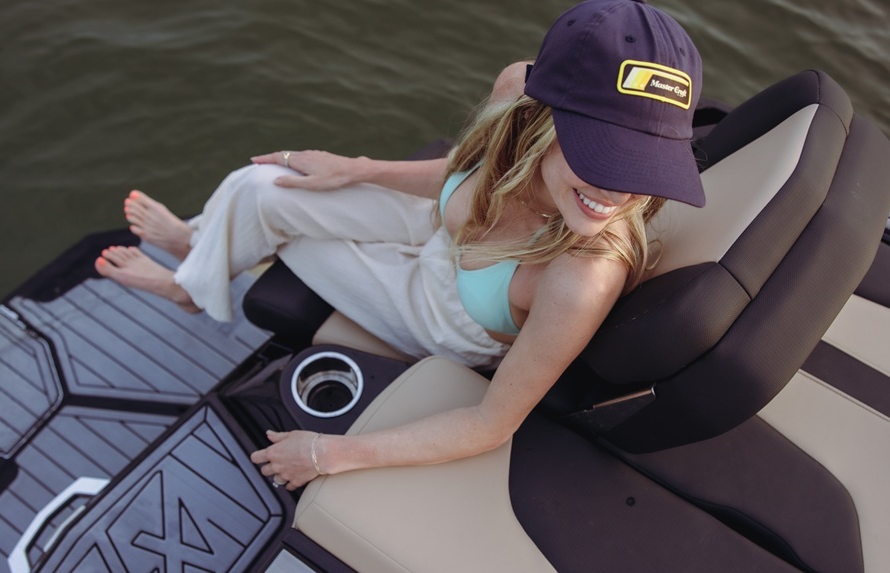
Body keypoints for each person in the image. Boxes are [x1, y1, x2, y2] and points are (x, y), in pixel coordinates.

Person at [95, 0, 705, 490]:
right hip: (445, 230)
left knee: (285, 232)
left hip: (451, 313)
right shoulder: (515, 90)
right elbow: (460, 173)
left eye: (645, 165)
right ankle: (195, 265)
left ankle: (192, 274)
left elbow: (491, 423)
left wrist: (335, 454)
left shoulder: (580, 277)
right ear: (542, 118)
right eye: (606, 156)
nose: (621, 191)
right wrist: (354, 167)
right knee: (261, 186)